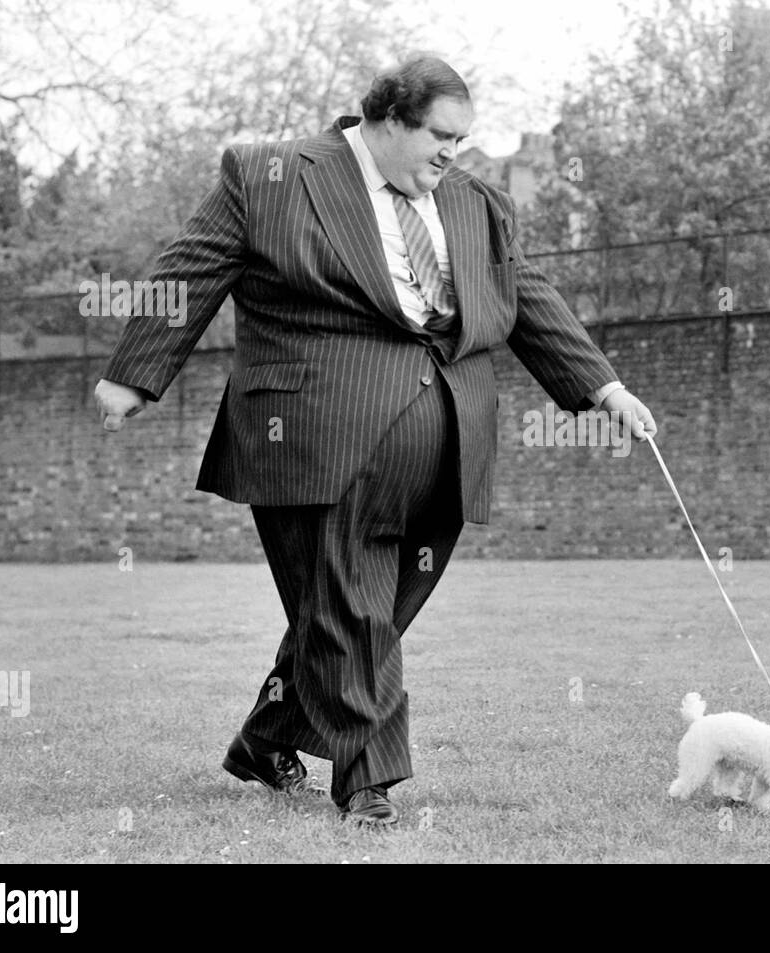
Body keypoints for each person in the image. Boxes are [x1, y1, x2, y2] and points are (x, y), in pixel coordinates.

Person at [93, 57, 656, 826]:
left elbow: (525, 291)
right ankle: (371, 785)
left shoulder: (474, 200)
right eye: (440, 135)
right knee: (353, 612)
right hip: (316, 435)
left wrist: (604, 386)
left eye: (462, 138)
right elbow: (189, 269)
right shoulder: (270, 173)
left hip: (447, 446)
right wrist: (134, 372)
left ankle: (266, 740)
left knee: (363, 612)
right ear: (388, 119)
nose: (452, 152)